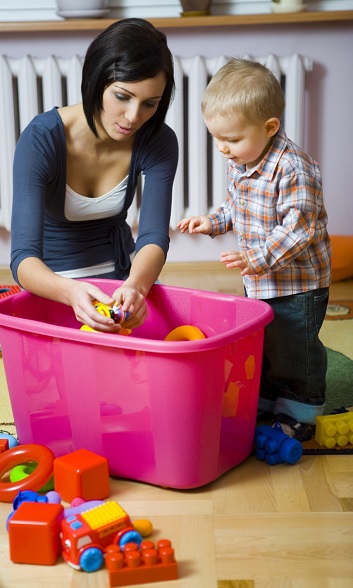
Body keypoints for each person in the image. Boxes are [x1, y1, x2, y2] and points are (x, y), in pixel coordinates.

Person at [178, 58, 331, 441]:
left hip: (298, 283)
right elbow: (237, 208)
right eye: (217, 139)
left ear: (269, 128)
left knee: (295, 345)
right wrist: (212, 223)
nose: (223, 149)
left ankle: (302, 409)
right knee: (265, 338)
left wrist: (256, 257)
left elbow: (300, 229)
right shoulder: (244, 160)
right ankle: (267, 398)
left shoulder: (294, 169)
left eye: (231, 140)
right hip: (260, 279)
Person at [11, 18, 178, 333]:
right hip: (56, 287)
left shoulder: (158, 139)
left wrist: (137, 287)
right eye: (122, 96)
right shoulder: (41, 139)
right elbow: (23, 259)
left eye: (149, 104)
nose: (133, 117)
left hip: (123, 279)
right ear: (95, 80)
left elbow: (154, 236)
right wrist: (71, 292)